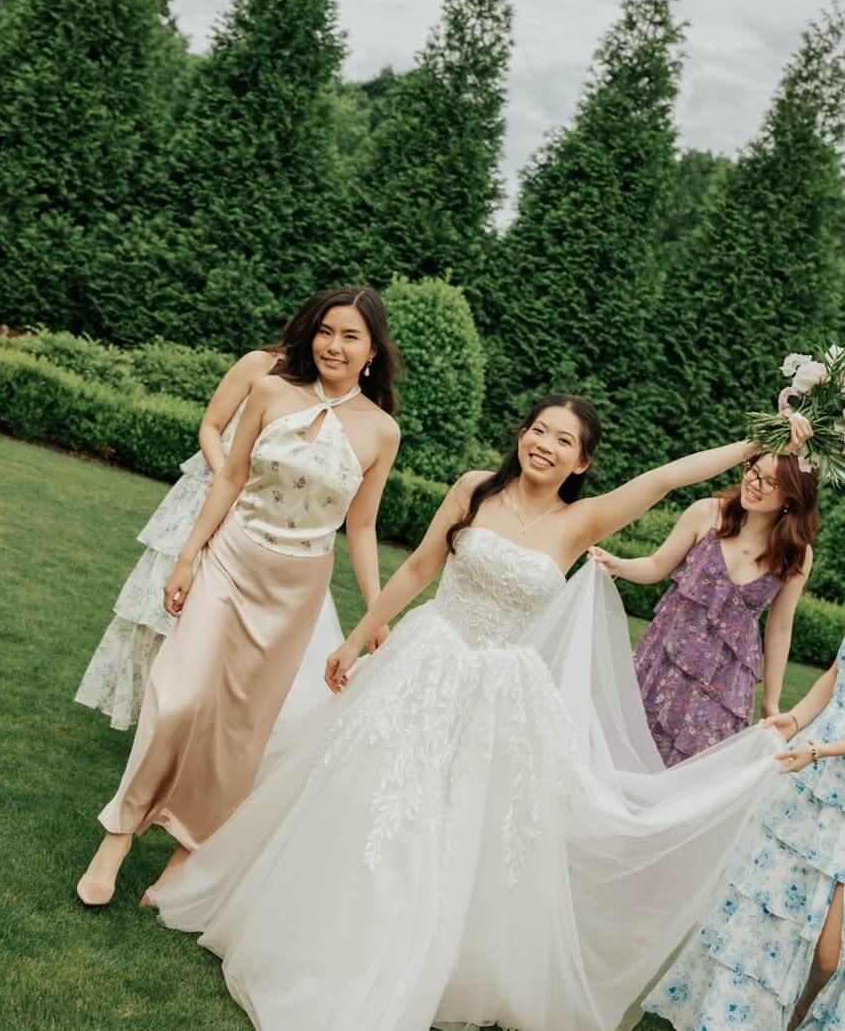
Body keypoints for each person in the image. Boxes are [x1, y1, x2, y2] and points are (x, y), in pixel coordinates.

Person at [151, 395, 811, 1031]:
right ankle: (318, 929)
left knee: (453, 826)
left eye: (564, 440)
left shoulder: (581, 522)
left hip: (500, 693)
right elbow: (418, 570)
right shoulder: (474, 490)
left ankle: (410, 957)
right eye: (539, 430)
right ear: (521, 435)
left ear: (582, 462)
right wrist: (358, 637)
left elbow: (666, 478)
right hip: (425, 662)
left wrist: (763, 443)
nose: (545, 445)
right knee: (375, 801)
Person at [76, 287, 401, 908]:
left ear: (372, 352)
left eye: (350, 336)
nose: (334, 345)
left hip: (297, 591)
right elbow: (229, 475)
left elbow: (361, 527)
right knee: (178, 697)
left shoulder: (382, 431)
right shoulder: (272, 391)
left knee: (239, 730)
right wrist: (187, 556)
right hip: (230, 559)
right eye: (326, 331)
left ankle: (186, 853)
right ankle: (117, 836)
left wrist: (376, 612)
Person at [643, 508, 845, 1030]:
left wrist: (822, 750)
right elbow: (835, 676)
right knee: (770, 900)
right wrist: (795, 719)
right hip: (815, 774)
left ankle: (803, 1014)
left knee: (836, 951)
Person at [74, 343, 341, 730]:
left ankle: (194, 719)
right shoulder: (260, 364)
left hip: (259, 518)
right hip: (206, 495)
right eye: (322, 330)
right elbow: (211, 426)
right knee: (162, 608)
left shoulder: (326, 394)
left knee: (219, 620)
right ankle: (153, 714)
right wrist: (222, 474)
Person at [590, 451, 819, 764]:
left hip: (724, 682)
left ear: (791, 497)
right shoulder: (708, 513)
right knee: (627, 750)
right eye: (753, 471)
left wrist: (771, 702)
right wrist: (618, 564)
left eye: (770, 482)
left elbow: (779, 628)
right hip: (666, 657)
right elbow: (657, 565)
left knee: (691, 769)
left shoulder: (796, 554)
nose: (754, 483)